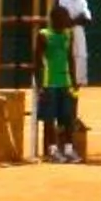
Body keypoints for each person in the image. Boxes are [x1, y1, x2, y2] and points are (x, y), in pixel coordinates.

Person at [55, 0, 94, 161]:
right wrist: (74, 20)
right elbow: (65, 22)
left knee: (76, 87)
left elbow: (87, 19)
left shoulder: (82, 1)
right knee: (65, 88)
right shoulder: (62, 0)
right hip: (66, 49)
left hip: (81, 50)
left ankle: (73, 117)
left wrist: (74, 20)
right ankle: (63, 124)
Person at [32, 15, 80, 163]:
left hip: (65, 82)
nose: (66, 22)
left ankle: (68, 150)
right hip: (49, 83)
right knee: (49, 119)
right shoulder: (43, 35)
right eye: (63, 19)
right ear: (55, 20)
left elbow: (70, 58)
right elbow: (37, 61)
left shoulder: (67, 35)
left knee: (67, 118)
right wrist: (39, 84)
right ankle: (52, 151)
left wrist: (74, 80)